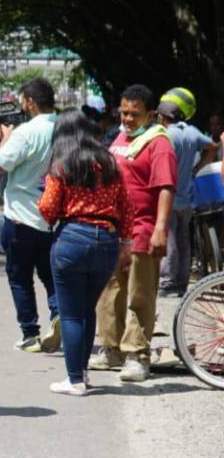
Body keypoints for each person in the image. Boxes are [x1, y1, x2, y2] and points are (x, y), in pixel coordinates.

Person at [38, 110, 134, 395]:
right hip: (106, 240)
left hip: (71, 238)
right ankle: (82, 373)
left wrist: (42, 209)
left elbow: (49, 208)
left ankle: (74, 380)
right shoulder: (110, 163)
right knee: (87, 308)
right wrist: (126, 243)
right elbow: (126, 206)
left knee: (70, 314)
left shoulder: (62, 164)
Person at [91, 84, 176, 382]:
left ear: (151, 114)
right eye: (124, 112)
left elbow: (165, 187)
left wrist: (160, 229)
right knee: (110, 291)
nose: (127, 119)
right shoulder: (121, 136)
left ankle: (137, 354)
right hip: (113, 230)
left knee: (140, 295)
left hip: (143, 229)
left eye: (134, 114)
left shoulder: (159, 143)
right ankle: (111, 349)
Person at [0, 78, 59, 352]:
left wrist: (5, 138)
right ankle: (58, 316)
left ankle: (30, 333)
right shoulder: (65, 128)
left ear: (30, 102)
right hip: (53, 217)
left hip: (21, 216)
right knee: (50, 274)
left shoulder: (26, 132)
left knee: (20, 277)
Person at [156, 88, 217, 296]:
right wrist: (196, 169)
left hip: (169, 196)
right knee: (183, 239)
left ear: (163, 117)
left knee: (170, 239)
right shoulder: (191, 132)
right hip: (188, 197)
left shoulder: (164, 135)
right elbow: (212, 147)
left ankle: (167, 283)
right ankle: (181, 283)